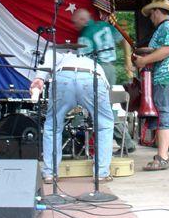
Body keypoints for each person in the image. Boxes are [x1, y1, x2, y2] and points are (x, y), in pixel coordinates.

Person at [30, 51, 114, 184]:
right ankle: (101, 173)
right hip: (92, 77)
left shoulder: (62, 55)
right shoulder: (93, 60)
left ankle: (50, 174)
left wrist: (39, 78)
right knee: (104, 126)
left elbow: (49, 55)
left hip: (63, 77)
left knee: (52, 127)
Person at [132, 0, 169, 171]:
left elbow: (168, 49)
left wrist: (143, 61)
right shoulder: (168, 27)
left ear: (156, 11)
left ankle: (162, 157)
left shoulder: (166, 27)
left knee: (164, 115)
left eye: (151, 14)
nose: (150, 18)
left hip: (164, 77)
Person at [72, 8, 124, 85]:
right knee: (108, 92)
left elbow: (82, 59)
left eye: (75, 22)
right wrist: (128, 59)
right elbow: (123, 38)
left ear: (82, 20)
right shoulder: (105, 25)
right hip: (111, 68)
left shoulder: (85, 34)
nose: (74, 26)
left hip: (96, 70)